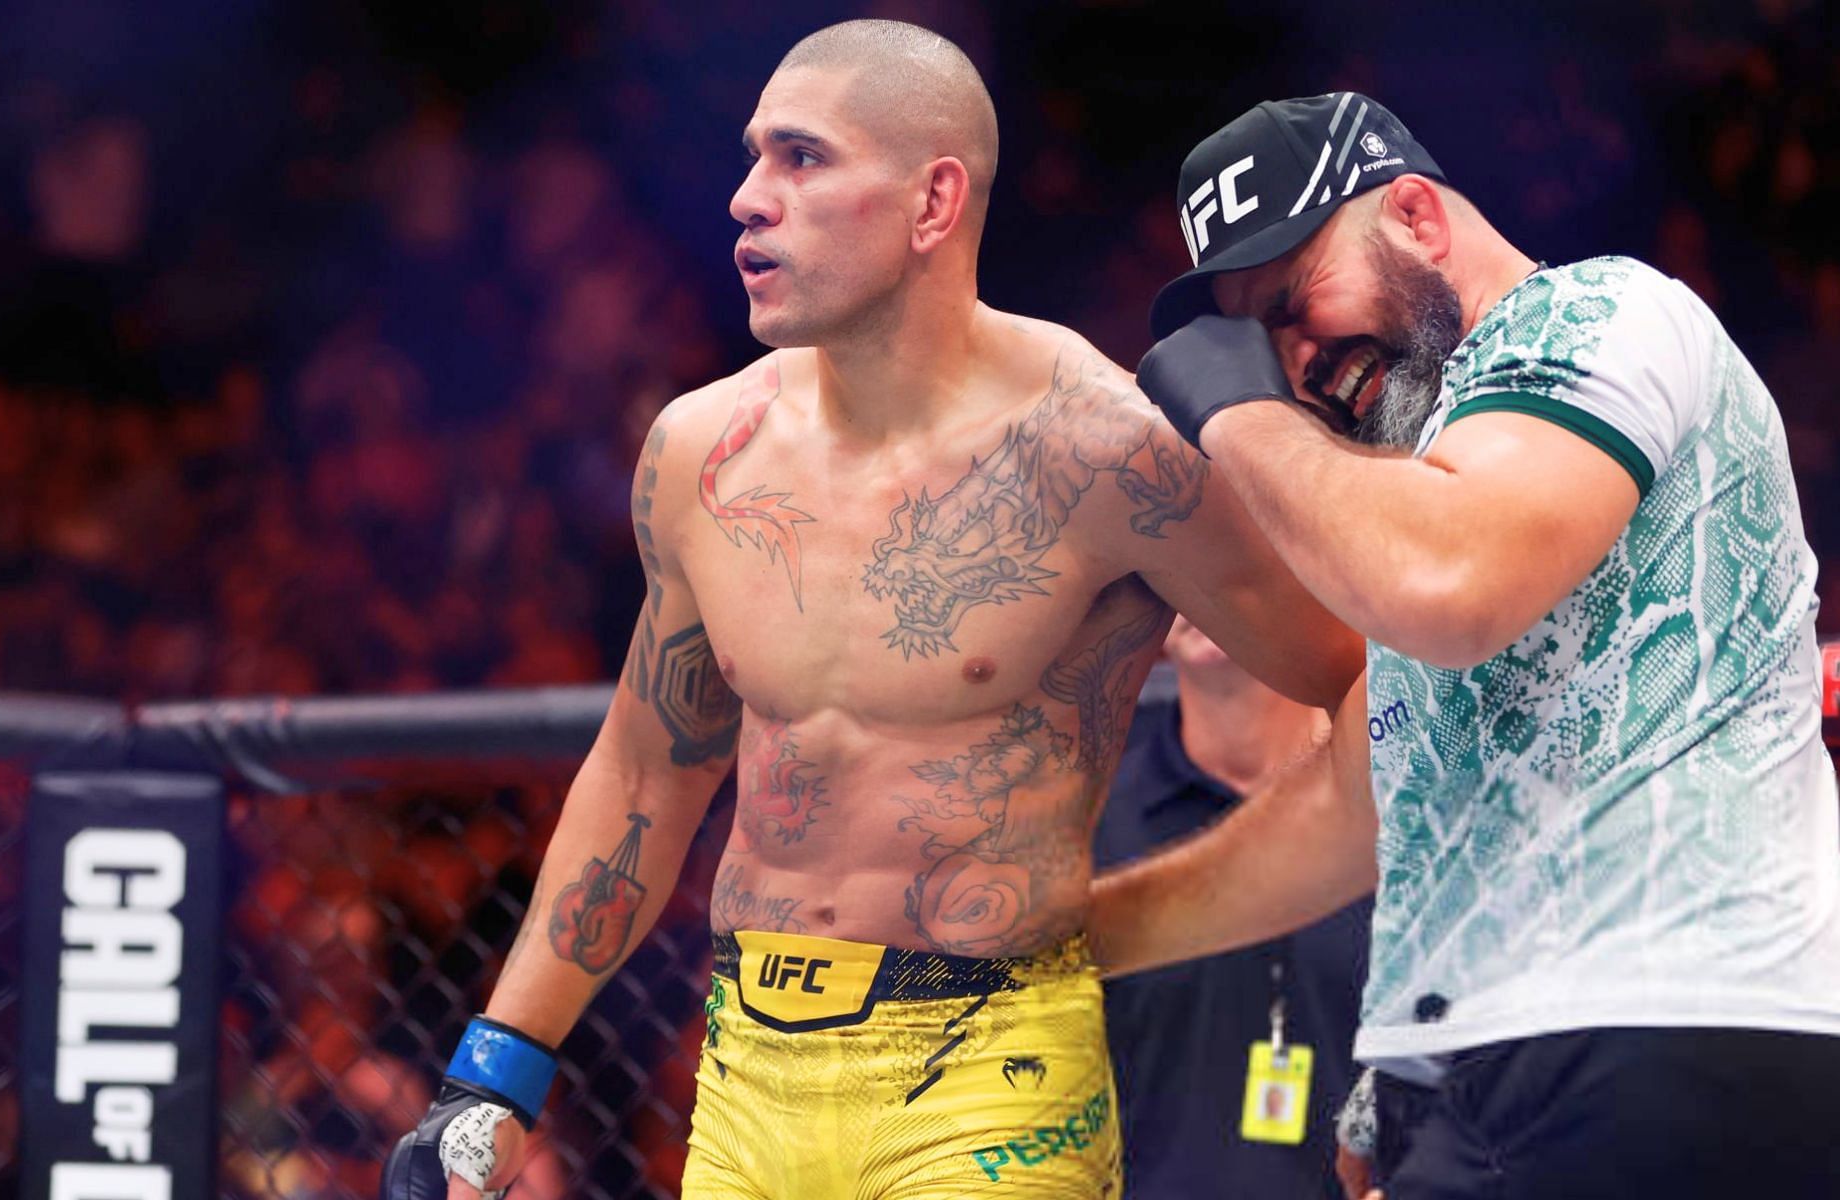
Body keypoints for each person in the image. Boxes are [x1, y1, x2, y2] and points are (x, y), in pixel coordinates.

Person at [381, 25, 1363, 1200]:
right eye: (752, 158)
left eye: (801, 158)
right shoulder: (704, 453)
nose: (748, 198)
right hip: (747, 1069)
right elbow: (648, 773)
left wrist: (1323, 967)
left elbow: (1365, 684)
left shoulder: (1107, 453)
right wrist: (495, 1072)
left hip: (989, 1072)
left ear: (933, 200)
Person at [1093, 92, 1840, 1199]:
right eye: (1253, 342)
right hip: (1495, 1076)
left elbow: (1452, 581)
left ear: (1418, 219)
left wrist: (1238, 416)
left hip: (1678, 1034)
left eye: (1293, 302)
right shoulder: (1418, 486)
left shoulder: (1600, 315)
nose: (1294, 361)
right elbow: (1360, 803)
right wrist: (1073, 939)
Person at [1095, 615, 1370, 1199]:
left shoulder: (1400, 784)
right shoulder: (1087, 801)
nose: (1199, 587)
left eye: (1235, 545)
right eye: (1179, 553)